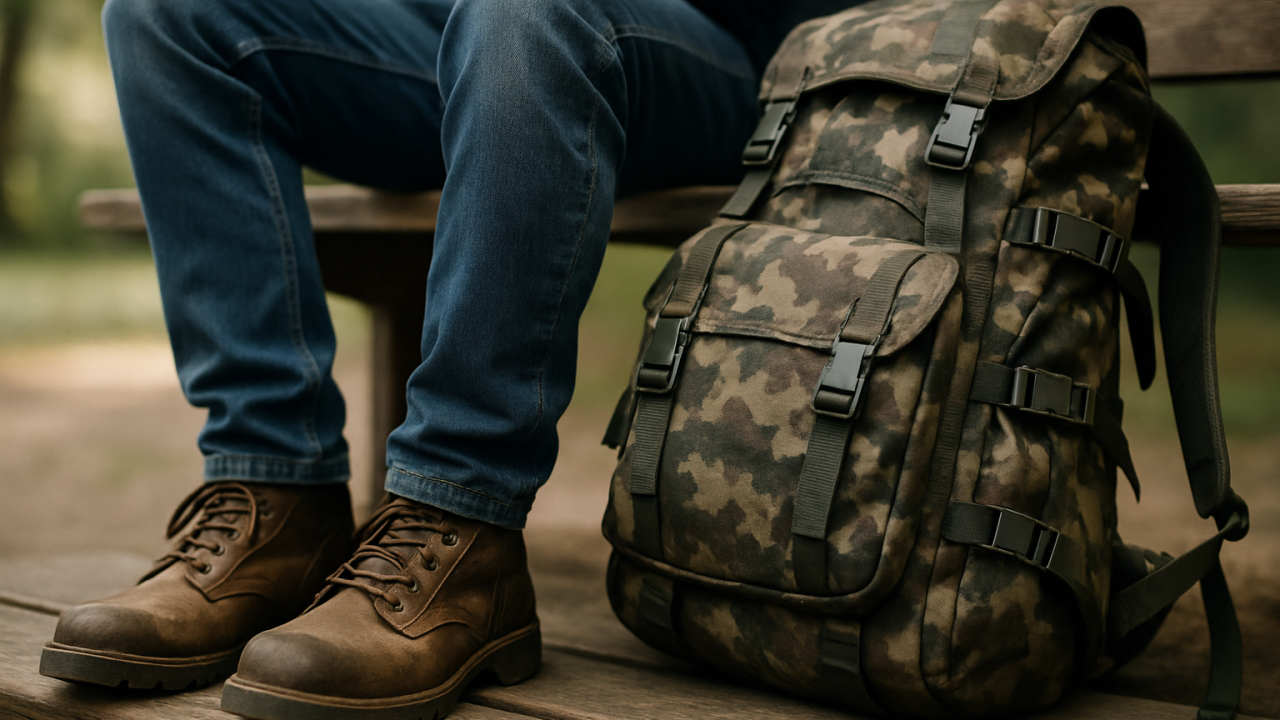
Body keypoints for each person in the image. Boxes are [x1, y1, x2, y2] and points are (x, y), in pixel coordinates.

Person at [39, 0, 859, 717]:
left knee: (528, 11)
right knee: (169, 16)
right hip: (465, 33)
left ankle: (460, 524)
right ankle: (275, 500)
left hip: (735, 52)